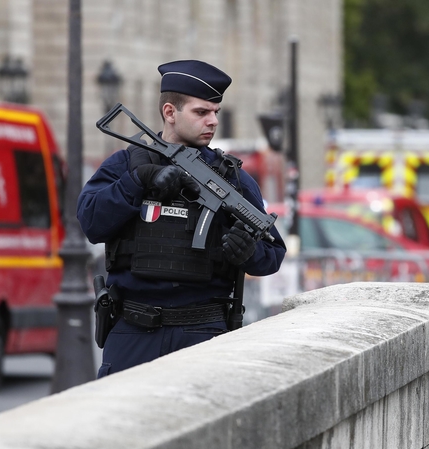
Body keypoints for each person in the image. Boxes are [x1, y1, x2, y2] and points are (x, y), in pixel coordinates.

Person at [77, 60, 286, 378]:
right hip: (133, 329)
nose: (213, 121)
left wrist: (248, 252)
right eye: (201, 112)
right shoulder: (125, 164)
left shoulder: (233, 179)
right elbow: (91, 223)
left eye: (216, 112)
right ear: (170, 112)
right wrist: (138, 182)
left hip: (202, 333)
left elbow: (272, 254)